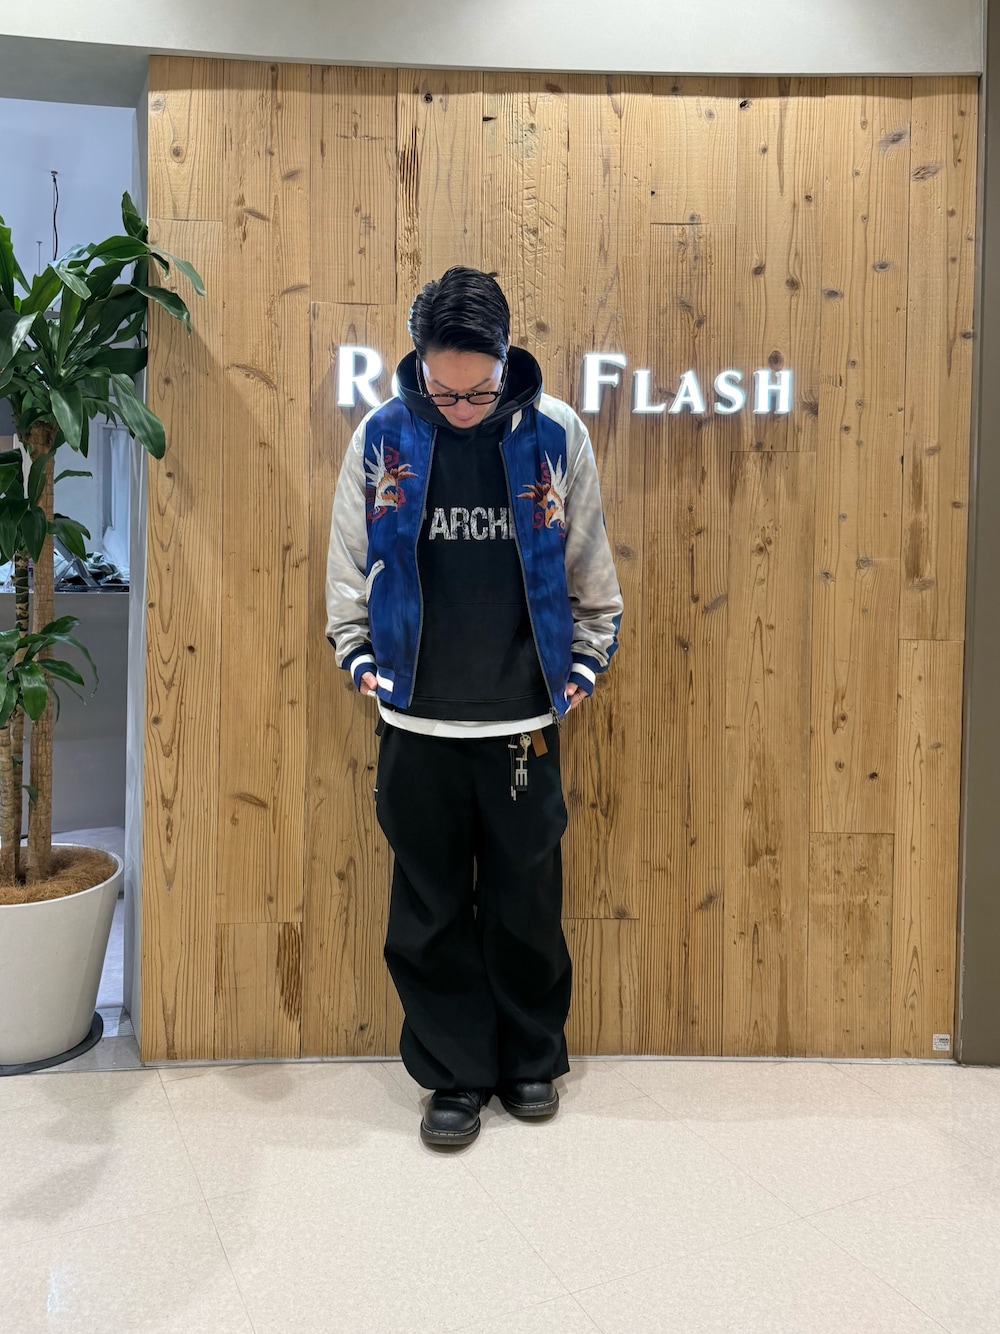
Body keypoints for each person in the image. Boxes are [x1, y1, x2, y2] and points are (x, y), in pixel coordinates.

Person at [325, 266, 622, 1146]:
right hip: (415, 716)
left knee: (527, 901)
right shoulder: (382, 434)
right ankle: (452, 1076)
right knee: (428, 910)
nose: (460, 407)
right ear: (418, 360)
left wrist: (583, 665)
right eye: (443, 389)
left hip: (523, 719)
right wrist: (360, 659)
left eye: (479, 389)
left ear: (505, 357)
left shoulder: (556, 433)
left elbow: (589, 566)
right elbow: (348, 565)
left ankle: (531, 1059)